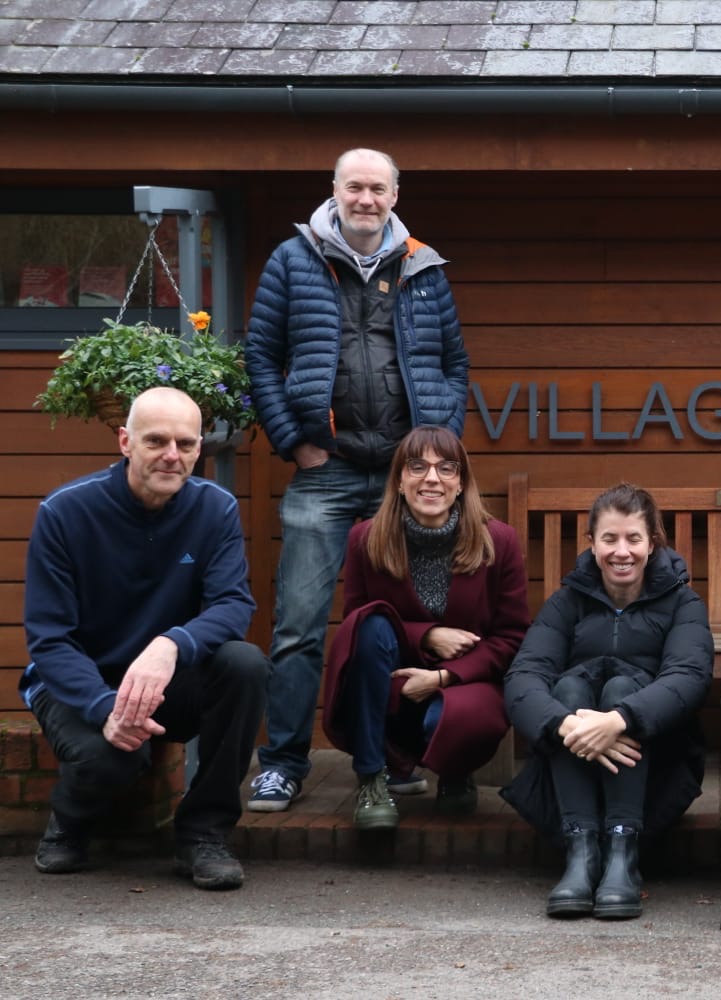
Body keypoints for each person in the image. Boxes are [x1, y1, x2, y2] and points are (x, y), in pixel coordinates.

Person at [245, 147, 469, 812]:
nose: (365, 199)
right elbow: (260, 355)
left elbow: (454, 364)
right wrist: (293, 442)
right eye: (354, 187)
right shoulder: (294, 260)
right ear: (335, 191)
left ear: (395, 195)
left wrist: (436, 447)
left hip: (403, 479)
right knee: (300, 626)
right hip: (327, 470)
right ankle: (284, 762)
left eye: (377, 188)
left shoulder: (423, 268)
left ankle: (398, 756)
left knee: (409, 623)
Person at [21, 387, 269, 890]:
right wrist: (103, 706)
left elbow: (232, 604)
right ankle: (68, 821)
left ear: (201, 447)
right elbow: (49, 639)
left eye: (186, 443)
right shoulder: (64, 513)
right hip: (78, 682)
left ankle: (204, 834)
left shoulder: (214, 509)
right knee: (113, 755)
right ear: (125, 441)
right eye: (156, 440)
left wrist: (171, 644)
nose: (172, 456)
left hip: (163, 678)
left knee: (245, 666)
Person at [503, 484, 713, 920]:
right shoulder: (567, 602)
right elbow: (523, 677)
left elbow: (688, 677)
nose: (622, 551)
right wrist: (568, 726)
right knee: (568, 693)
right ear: (592, 544)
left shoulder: (682, 603)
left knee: (622, 690)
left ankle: (623, 853)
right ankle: (580, 853)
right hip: (569, 762)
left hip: (655, 767)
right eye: (610, 539)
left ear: (652, 542)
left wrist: (619, 720)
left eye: (634, 539)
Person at [319, 426, 529, 830]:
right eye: (417, 467)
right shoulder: (365, 539)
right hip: (392, 680)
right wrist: (428, 635)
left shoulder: (498, 541)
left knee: (464, 717)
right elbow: (358, 623)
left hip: (467, 682)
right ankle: (371, 779)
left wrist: (442, 677)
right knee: (369, 627)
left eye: (446, 469)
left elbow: (513, 637)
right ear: (399, 480)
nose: (432, 479)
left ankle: (456, 770)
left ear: (461, 483)